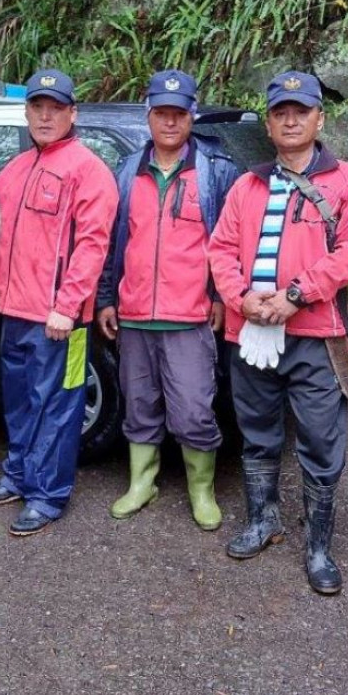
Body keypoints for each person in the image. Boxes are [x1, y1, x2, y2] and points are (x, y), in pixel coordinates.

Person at [208, 71, 348, 594]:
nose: (290, 118)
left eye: (300, 111)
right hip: (251, 333)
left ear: (318, 119)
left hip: (315, 335)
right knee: (257, 430)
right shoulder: (248, 184)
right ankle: (263, 519)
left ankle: (319, 544)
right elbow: (220, 248)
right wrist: (241, 298)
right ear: (269, 121)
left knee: (321, 439)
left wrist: (296, 295)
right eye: (281, 111)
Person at [96, 69, 240, 530]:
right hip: (135, 315)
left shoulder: (215, 171)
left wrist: (220, 294)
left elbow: (229, 241)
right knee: (139, 407)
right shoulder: (127, 172)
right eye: (162, 113)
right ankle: (143, 482)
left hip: (191, 316)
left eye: (179, 113)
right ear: (149, 115)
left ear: (192, 115)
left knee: (195, 409)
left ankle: (202, 489)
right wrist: (106, 298)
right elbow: (113, 240)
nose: (171, 122)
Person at [0, 69, 119, 536]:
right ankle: (18, 476)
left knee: (59, 405)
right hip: (16, 312)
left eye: (55, 107)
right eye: (37, 106)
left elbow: (93, 246)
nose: (44, 115)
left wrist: (68, 303)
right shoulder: (15, 170)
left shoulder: (89, 171)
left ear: (71, 113)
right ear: (26, 111)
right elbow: (8, 245)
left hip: (63, 320)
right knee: (17, 400)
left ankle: (48, 495)